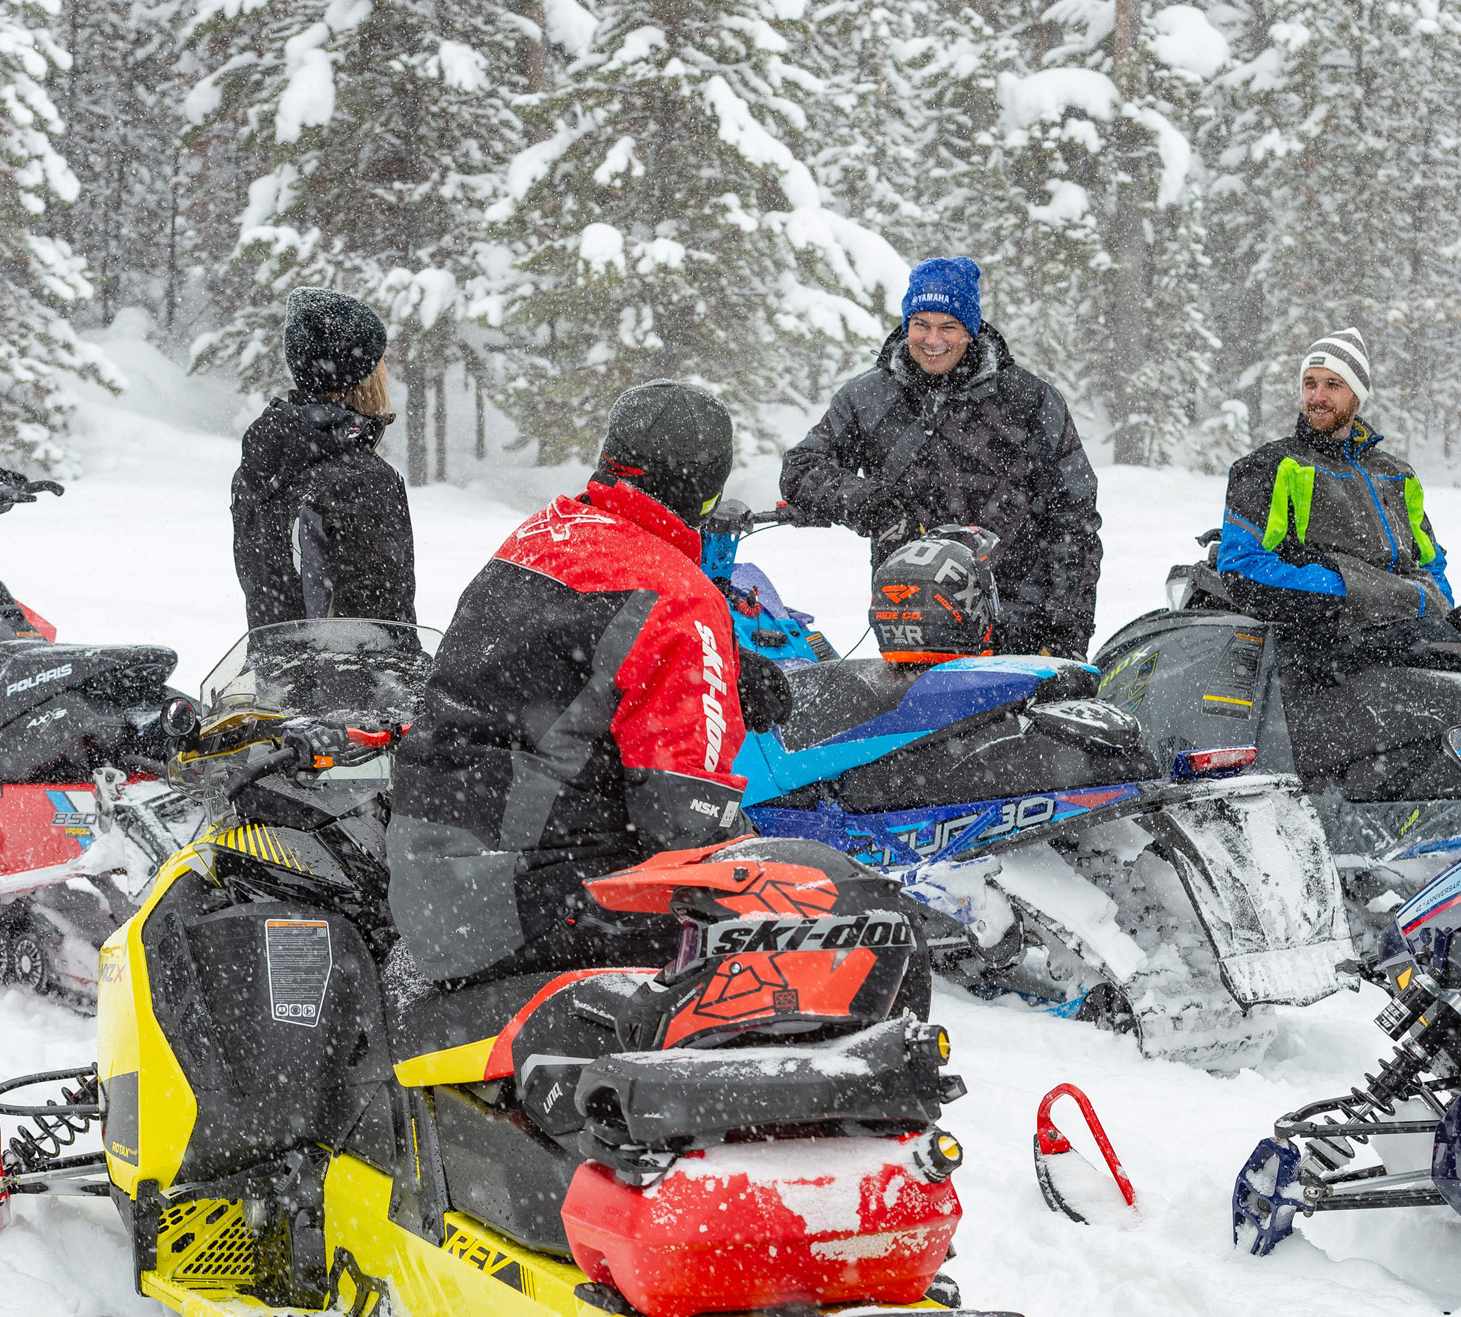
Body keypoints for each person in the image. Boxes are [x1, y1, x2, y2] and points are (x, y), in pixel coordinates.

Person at [387, 381, 791, 985]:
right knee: (788, 925)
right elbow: (686, 824)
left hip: (427, 878)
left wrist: (723, 668)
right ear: (709, 491)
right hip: (523, 904)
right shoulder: (681, 598)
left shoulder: (539, 535)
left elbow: (565, 659)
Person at [779, 256, 1103, 659]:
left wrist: (1066, 638)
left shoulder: (1031, 401)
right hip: (911, 628)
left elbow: (1075, 524)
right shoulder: (867, 398)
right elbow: (801, 469)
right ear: (906, 326)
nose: (933, 340)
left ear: (971, 330)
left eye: (948, 326)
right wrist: (871, 504)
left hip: (1020, 634)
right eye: (921, 325)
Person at [1216, 328, 1454, 642]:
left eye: (1333, 384)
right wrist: (1355, 593)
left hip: (1407, 634)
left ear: (1357, 394)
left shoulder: (1396, 474)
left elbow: (1432, 566)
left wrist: (1427, 603)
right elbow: (1242, 566)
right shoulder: (1271, 466)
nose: (1317, 397)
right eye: (1309, 384)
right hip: (1323, 647)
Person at [231, 287, 416, 631]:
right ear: (359, 375)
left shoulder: (263, 466)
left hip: (278, 679)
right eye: (380, 361)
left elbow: (271, 604)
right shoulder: (363, 480)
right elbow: (380, 632)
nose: (386, 373)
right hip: (345, 682)